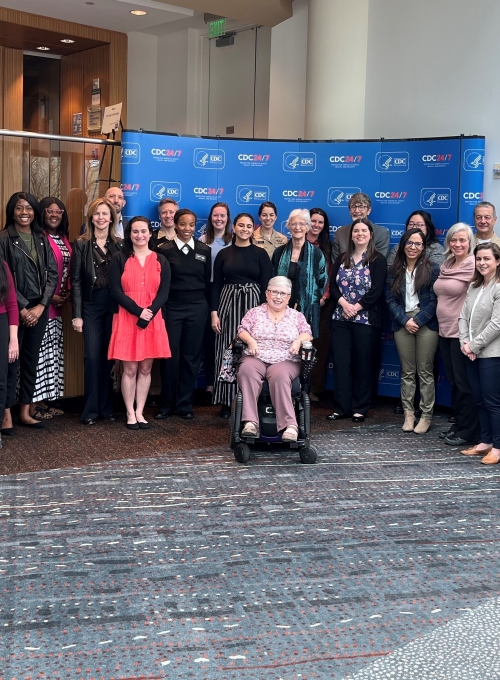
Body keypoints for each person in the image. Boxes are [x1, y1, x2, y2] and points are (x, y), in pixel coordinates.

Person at [0, 192, 58, 429]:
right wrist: (23, 308)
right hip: (15, 309)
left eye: (29, 208)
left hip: (40, 308)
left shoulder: (41, 237)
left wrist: (42, 305)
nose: (24, 213)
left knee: (31, 360)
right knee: (10, 363)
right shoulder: (4, 238)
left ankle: (25, 412)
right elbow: (4, 279)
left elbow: (52, 274)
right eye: (19, 208)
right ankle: (6, 416)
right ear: (12, 211)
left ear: (35, 212)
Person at [108, 217, 171, 429]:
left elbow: (164, 292)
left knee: (146, 369)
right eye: (135, 231)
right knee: (130, 369)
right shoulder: (119, 258)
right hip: (127, 317)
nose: (139, 235)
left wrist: (150, 312)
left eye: (143, 231)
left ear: (150, 233)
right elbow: (115, 290)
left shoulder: (160, 260)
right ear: (129, 235)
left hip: (153, 318)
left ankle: (140, 411)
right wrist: (138, 311)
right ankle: (129, 413)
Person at [211, 212, 272, 418]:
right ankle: (226, 401)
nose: (245, 229)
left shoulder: (261, 254)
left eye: (248, 226)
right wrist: (214, 313)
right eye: (241, 226)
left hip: (254, 305)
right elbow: (216, 286)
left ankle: (249, 398)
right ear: (234, 228)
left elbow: (266, 286)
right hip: (228, 305)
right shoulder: (223, 254)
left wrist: (266, 313)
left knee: (251, 351)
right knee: (227, 350)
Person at [237, 276, 313, 442]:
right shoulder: (255, 313)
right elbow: (242, 330)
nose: (278, 297)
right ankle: (250, 422)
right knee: (246, 370)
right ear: (267, 294)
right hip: (257, 356)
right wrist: (250, 340)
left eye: (283, 294)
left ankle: (290, 426)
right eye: (274, 292)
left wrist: (298, 340)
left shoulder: (296, 316)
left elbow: (308, 333)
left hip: (286, 359)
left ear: (288, 297)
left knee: (279, 375)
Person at [328, 218, 387, 422]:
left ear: (371, 234)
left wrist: (357, 307)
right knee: (341, 363)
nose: (359, 234)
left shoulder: (378, 259)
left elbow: (377, 289)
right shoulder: (342, 258)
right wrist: (345, 305)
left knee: (363, 364)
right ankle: (341, 407)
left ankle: (360, 407)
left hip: (366, 319)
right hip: (341, 318)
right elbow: (333, 286)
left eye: (364, 230)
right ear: (351, 235)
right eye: (356, 231)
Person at [70, 197, 122, 425]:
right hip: (91, 306)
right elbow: (77, 282)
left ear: (112, 218)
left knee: (108, 358)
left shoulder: (120, 244)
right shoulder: (81, 243)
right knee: (92, 357)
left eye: (105, 213)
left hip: (115, 306)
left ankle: (106, 409)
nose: (101, 218)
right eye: (97, 213)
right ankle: (90, 411)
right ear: (91, 217)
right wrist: (77, 315)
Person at [155, 209, 210, 420]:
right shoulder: (164, 251)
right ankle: (166, 404)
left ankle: (185, 404)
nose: (187, 229)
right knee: (170, 357)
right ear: (175, 225)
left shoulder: (204, 250)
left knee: (191, 357)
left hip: (197, 308)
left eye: (192, 225)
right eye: (183, 224)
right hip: (172, 308)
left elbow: (207, 281)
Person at [386, 228, 440, 434]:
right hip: (402, 322)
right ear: (403, 244)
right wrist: (405, 321)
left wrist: (417, 319)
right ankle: (409, 414)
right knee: (407, 371)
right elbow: (390, 299)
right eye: (409, 243)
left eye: (418, 244)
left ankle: (426, 416)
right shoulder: (394, 270)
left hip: (426, 322)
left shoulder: (432, 269)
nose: (413, 247)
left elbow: (436, 301)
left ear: (424, 247)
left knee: (425, 371)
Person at [434, 223, 480, 446]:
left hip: (462, 333)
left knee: (464, 384)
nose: (458, 244)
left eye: (462, 240)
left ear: (470, 242)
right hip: (445, 331)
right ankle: (460, 424)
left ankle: (469, 431)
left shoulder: (474, 266)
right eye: (454, 240)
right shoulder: (447, 264)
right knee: (454, 382)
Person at [459, 242, 500, 464]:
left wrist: (474, 346)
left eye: (487, 259)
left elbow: (497, 324)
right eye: (479, 259)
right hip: (471, 351)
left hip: (492, 354)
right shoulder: (474, 286)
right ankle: (486, 442)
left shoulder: (499, 287)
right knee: (480, 400)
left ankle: (498, 447)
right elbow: (462, 316)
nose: (482, 263)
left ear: (497, 261)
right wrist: (465, 342)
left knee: (493, 402)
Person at [31, 197, 72, 420]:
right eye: (50, 211)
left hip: (58, 307)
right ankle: (31, 405)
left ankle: (43, 401)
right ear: (42, 213)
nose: (54, 215)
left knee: (50, 356)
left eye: (59, 211)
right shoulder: (38, 238)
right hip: (42, 305)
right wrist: (50, 297)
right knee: (38, 356)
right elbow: (35, 274)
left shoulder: (63, 238)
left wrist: (65, 293)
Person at [271, 209, 328, 339]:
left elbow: (322, 281)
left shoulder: (317, 254)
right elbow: (273, 279)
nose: (298, 227)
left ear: (307, 227)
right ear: (288, 226)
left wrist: (310, 300)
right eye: (294, 224)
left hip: (307, 311)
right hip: (280, 308)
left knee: (303, 351)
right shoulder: (279, 253)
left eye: (302, 224)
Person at [199, 202, 232, 402]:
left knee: (226, 339)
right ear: (211, 218)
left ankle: (226, 385)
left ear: (228, 218)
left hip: (228, 291)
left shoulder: (235, 240)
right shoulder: (202, 240)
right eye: (215, 215)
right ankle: (210, 385)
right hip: (206, 290)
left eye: (223, 215)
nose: (219, 219)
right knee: (209, 341)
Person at [306, 207, 333, 399]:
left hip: (323, 304)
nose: (316, 225)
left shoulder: (328, 247)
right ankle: (295, 387)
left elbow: (331, 274)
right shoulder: (296, 243)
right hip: (298, 304)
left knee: (320, 347)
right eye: (313, 221)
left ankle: (314, 388)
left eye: (320, 222)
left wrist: (323, 297)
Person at [331, 193, 390, 262]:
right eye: (353, 207)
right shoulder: (340, 233)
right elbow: (336, 262)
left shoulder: (382, 233)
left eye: (361, 207)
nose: (357, 211)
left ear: (368, 210)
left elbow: (380, 262)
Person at [0, 255, 19, 446]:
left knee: (1, 379)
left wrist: (13, 340)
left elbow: (12, 303)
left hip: (1, 323)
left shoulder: (2, 265)